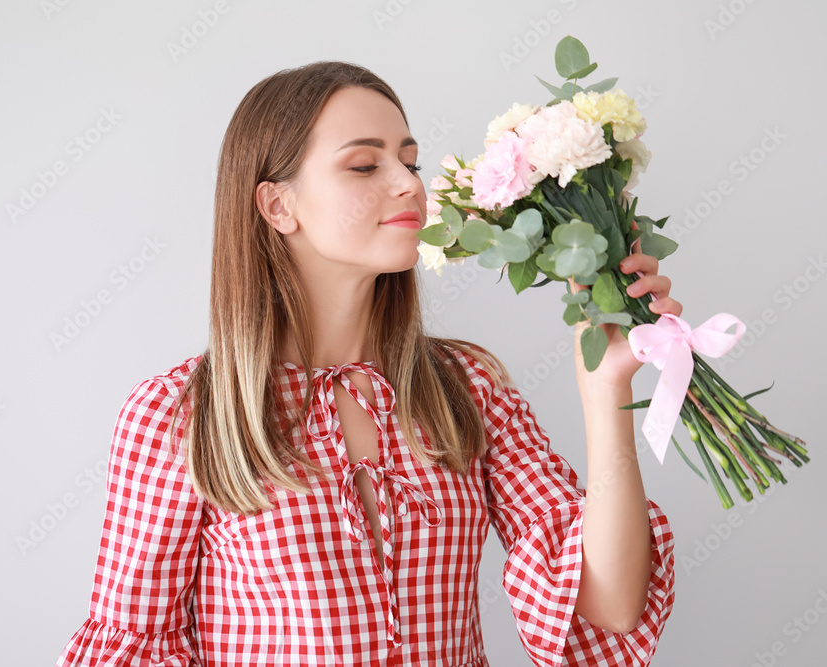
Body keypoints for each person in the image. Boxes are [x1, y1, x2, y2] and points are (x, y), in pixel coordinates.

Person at [54, 60, 679, 666]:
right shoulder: (179, 414)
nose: (410, 184)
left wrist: (607, 394)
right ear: (277, 207)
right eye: (363, 164)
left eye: (409, 161)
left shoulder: (468, 388)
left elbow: (611, 607)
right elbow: (133, 644)